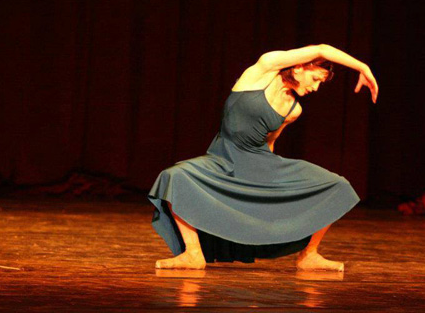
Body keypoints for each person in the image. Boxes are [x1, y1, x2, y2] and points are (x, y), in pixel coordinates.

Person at [148, 44, 379, 271]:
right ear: (299, 67)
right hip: (224, 158)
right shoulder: (263, 71)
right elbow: (321, 50)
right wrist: (363, 68)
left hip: (261, 161)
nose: (316, 88)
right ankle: (193, 254)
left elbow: (269, 143)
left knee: (338, 186)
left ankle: (309, 254)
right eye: (316, 79)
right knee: (174, 177)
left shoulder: (293, 110)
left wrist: (267, 185)